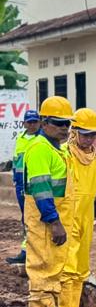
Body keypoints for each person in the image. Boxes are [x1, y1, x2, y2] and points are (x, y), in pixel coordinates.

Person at [58, 108, 96, 307]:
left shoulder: (94, 157)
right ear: (74, 132)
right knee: (68, 265)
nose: (90, 138)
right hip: (68, 216)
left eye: (93, 134)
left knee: (82, 265)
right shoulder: (65, 155)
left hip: (86, 216)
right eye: (86, 134)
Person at [23, 97, 73, 307]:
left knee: (52, 269)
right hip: (45, 221)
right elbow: (42, 190)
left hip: (54, 219)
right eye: (58, 123)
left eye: (67, 124)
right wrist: (54, 221)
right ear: (44, 122)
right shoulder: (40, 150)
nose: (64, 128)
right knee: (42, 269)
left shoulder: (56, 149)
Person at [7, 109, 41, 265]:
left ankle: (35, 252)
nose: (32, 125)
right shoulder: (20, 139)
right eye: (30, 122)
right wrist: (15, 180)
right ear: (24, 123)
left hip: (35, 184)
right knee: (26, 217)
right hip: (21, 185)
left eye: (35, 121)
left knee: (37, 217)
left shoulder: (42, 139)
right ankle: (26, 250)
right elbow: (16, 162)